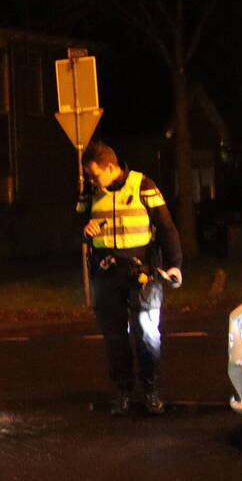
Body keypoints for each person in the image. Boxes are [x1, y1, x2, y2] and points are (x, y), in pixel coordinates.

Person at [77, 141, 183, 416]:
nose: (91, 180)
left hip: (142, 273)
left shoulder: (143, 185)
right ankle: (123, 392)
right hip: (106, 274)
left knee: (147, 333)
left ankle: (152, 392)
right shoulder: (90, 192)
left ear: (111, 167)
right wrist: (83, 230)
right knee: (114, 337)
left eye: (94, 174)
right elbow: (75, 224)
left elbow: (167, 227)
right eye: (88, 176)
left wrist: (174, 265)